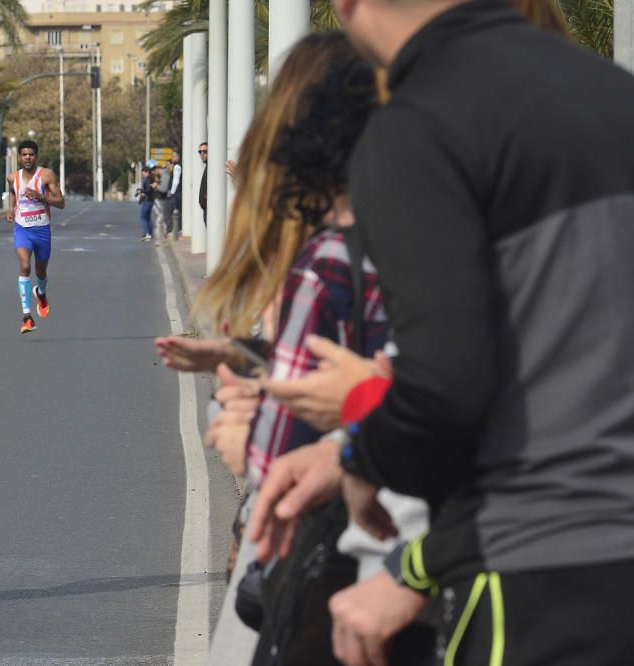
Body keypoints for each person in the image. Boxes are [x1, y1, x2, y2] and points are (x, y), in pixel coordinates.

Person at [253, 0, 634, 663]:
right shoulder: (612, 92)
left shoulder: (417, 129)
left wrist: (363, 464)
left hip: (529, 579)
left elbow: (448, 387)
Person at [5, 139, 65, 334]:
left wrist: (42, 197)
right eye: (24, 155)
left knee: (41, 271)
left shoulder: (46, 176)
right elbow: (13, 193)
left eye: (31, 154)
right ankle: (27, 317)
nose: (27, 158)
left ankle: (41, 292)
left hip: (42, 229)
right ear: (20, 157)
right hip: (22, 228)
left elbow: (61, 202)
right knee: (24, 266)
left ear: (36, 157)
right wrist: (11, 210)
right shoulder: (13, 177)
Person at [137, 165, 155, 241]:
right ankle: (150, 233)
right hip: (150, 200)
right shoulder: (151, 178)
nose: (143, 175)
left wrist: (141, 191)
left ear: (147, 172)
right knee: (148, 217)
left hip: (147, 200)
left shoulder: (147, 179)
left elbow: (148, 190)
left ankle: (147, 233)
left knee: (143, 217)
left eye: (143, 173)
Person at [169, 151, 182, 235]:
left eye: (174, 156)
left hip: (177, 192)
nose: (172, 158)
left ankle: (177, 229)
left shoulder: (177, 166)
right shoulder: (178, 165)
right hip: (178, 191)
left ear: (177, 157)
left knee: (176, 211)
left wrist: (172, 192)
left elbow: (176, 181)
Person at [197, 142, 208, 226]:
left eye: (205, 151)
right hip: (206, 208)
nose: (202, 154)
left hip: (210, 209)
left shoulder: (213, 166)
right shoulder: (208, 166)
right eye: (200, 152)